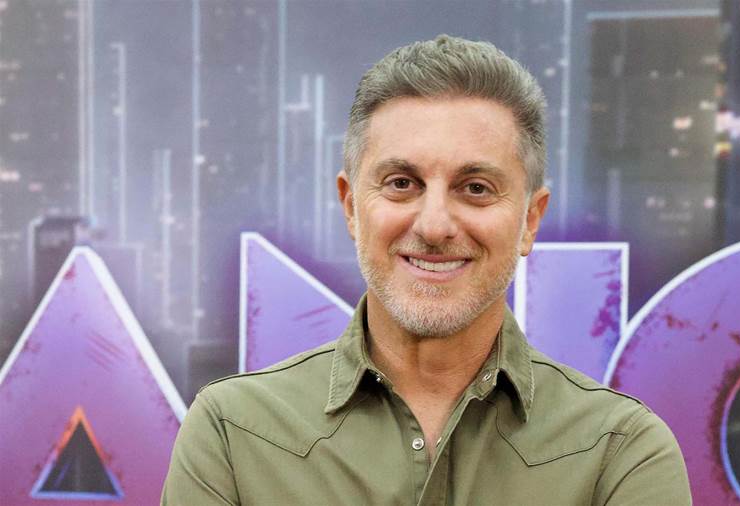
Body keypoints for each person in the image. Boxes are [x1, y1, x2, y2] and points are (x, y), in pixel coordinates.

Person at [161, 35, 691, 505]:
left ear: (530, 220)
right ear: (351, 207)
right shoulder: (232, 433)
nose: (434, 226)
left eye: (475, 188)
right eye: (401, 183)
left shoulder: (620, 453)